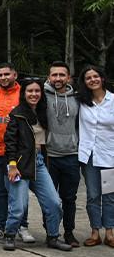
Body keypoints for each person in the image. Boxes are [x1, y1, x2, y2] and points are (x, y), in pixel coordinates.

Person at [2, 78, 72, 252]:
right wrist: (12, 165)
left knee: (54, 203)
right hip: (19, 164)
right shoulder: (17, 114)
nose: (34, 94)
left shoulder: (44, 112)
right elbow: (10, 142)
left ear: (42, 93)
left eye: (37, 91)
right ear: (23, 94)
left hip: (39, 164)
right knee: (19, 206)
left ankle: (53, 237)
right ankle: (10, 235)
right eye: (30, 91)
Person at [0, 63, 33, 243]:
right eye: (0, 75)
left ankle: (23, 226)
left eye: (7, 74)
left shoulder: (24, 94)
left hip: (18, 154)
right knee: (0, 192)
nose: (4, 77)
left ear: (15, 74)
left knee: (19, 193)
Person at [43, 62, 81, 247]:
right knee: (50, 198)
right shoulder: (42, 96)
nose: (58, 78)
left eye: (61, 75)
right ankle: (51, 232)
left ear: (69, 78)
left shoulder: (78, 98)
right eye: (54, 75)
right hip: (50, 154)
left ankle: (69, 232)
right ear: (49, 77)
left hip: (72, 154)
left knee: (69, 197)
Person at [76, 64, 114, 248]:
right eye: (88, 78)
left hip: (110, 155)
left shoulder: (113, 100)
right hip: (88, 155)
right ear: (84, 82)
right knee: (92, 195)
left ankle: (110, 232)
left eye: (95, 76)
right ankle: (94, 232)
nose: (93, 80)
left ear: (102, 78)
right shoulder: (81, 101)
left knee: (109, 195)